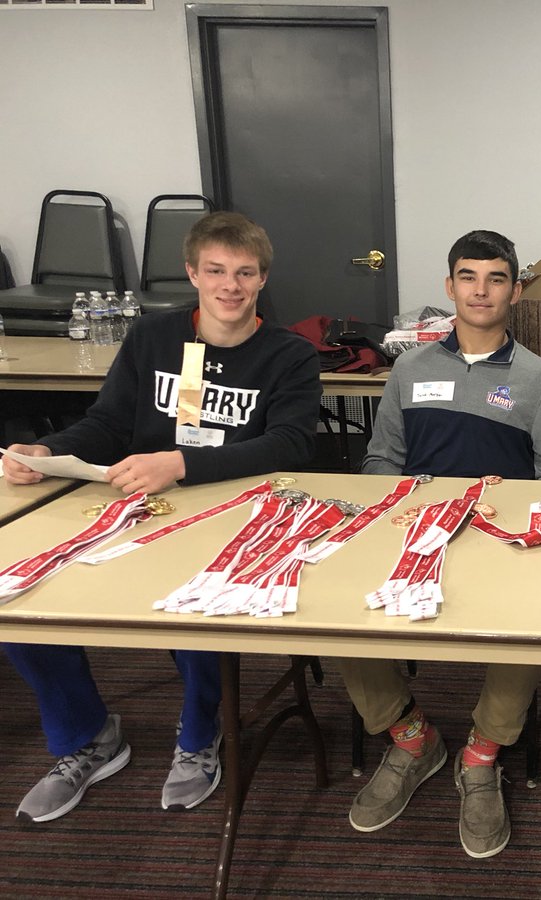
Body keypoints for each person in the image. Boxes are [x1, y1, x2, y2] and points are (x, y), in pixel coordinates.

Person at [2, 211, 321, 822]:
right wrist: (50, 451)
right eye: (216, 271)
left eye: (245, 273)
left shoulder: (289, 355)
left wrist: (179, 463)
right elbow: (109, 423)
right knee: (20, 604)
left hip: (233, 513)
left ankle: (201, 734)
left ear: (262, 280)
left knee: (193, 606)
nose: (231, 286)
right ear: (192, 273)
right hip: (136, 506)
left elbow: (290, 445)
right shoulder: (153, 338)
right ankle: (89, 738)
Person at [333, 230, 541, 859]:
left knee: (534, 615)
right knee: (336, 611)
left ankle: (484, 750)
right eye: (468, 277)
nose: (481, 290)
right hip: (415, 532)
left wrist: (509, 508)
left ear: (515, 291)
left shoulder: (539, 379)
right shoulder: (410, 369)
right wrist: (411, 502)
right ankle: (411, 737)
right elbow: (381, 458)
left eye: (496, 278)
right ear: (449, 288)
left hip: (499, 538)